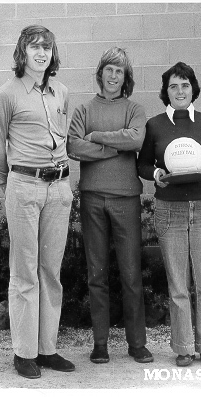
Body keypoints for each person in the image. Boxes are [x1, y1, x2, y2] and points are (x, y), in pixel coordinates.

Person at [0, 25, 75, 379]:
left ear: (53, 54)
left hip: (59, 189)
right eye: (34, 46)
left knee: (50, 271)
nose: (41, 53)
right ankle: (24, 353)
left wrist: (60, 185)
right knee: (24, 272)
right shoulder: (6, 95)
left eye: (47, 47)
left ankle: (47, 349)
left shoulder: (62, 92)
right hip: (23, 186)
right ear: (22, 53)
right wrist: (17, 186)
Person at [137, 62, 201, 368]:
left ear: (194, 89)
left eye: (185, 85)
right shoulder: (155, 125)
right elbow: (142, 164)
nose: (180, 91)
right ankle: (184, 348)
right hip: (170, 209)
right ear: (166, 91)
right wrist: (157, 173)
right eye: (174, 86)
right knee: (178, 284)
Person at [67, 47, 153, 364]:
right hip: (92, 196)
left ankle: (137, 343)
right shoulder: (82, 109)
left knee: (131, 274)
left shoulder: (135, 109)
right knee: (96, 273)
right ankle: (100, 343)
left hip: (126, 198)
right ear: (100, 73)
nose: (114, 76)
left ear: (125, 77)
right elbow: (74, 146)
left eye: (119, 71)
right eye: (109, 70)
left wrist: (98, 137)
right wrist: (110, 149)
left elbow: (135, 140)